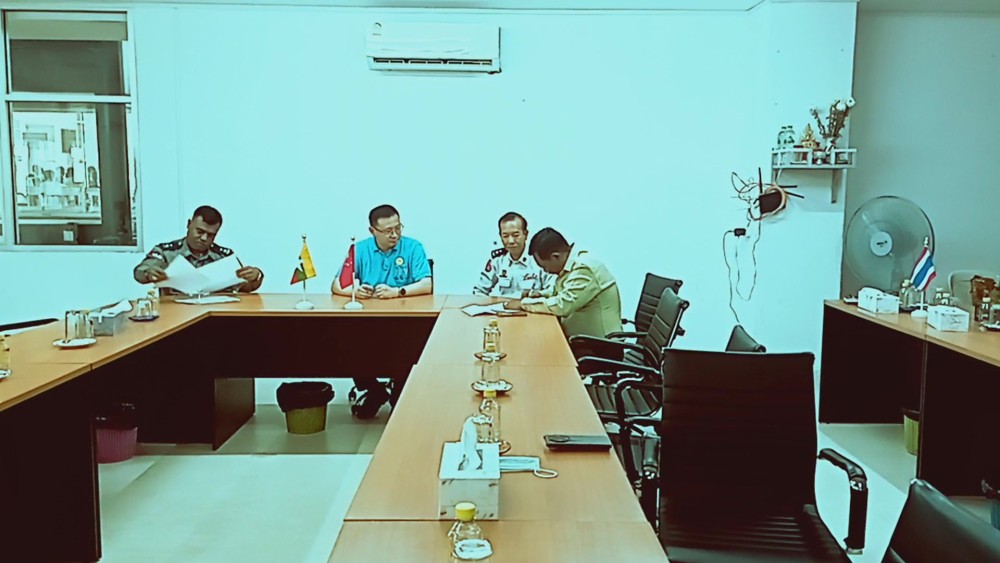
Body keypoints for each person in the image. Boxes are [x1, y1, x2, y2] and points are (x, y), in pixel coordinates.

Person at [332, 204, 432, 418]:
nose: (394, 234)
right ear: (373, 231)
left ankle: (399, 392)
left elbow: (426, 284)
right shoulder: (360, 249)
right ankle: (374, 390)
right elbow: (337, 285)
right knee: (347, 343)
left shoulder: (413, 247)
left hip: (405, 321)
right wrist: (356, 291)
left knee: (407, 348)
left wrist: (398, 292)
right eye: (388, 231)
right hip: (369, 321)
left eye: (398, 228)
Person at [505, 227, 623, 339]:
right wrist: (539, 294)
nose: (546, 271)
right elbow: (562, 292)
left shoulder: (584, 269)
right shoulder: (572, 265)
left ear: (555, 257)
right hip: (581, 341)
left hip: (600, 346)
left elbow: (562, 305)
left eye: (544, 267)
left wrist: (523, 304)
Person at [133, 205, 264, 293]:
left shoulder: (224, 256)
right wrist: (148, 273)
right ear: (189, 225)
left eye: (211, 235)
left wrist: (255, 277)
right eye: (200, 232)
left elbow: (244, 287)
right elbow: (139, 272)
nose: (204, 238)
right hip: (176, 315)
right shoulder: (167, 252)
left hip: (215, 316)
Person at [472, 212, 554, 298]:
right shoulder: (498, 261)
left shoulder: (539, 260)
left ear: (525, 234)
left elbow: (553, 290)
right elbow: (479, 290)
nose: (511, 241)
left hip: (531, 306)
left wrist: (538, 295)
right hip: (504, 306)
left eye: (515, 235)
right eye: (505, 236)